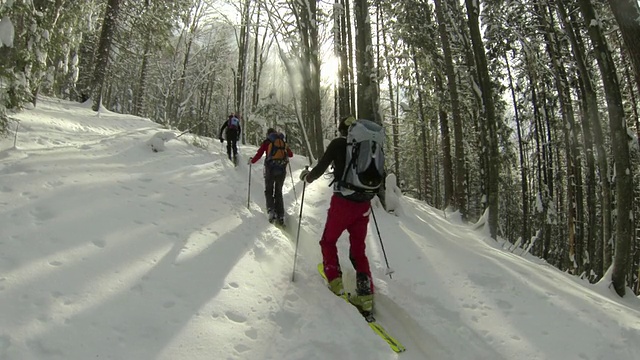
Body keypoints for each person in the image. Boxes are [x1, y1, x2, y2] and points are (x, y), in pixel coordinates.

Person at [298, 116, 376, 313]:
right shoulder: (368, 146)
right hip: (364, 204)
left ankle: (335, 282)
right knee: (358, 249)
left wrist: (307, 177)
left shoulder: (339, 143)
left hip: (343, 203)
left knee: (328, 241)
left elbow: (321, 167)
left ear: (342, 130)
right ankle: (366, 295)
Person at [249, 128, 294, 226]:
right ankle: (281, 215)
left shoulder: (267, 142)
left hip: (270, 170)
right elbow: (291, 154)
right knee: (278, 192)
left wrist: (252, 161)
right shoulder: (282, 141)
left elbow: (259, 154)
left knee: (269, 190)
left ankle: (271, 211)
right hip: (281, 170)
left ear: (268, 134)